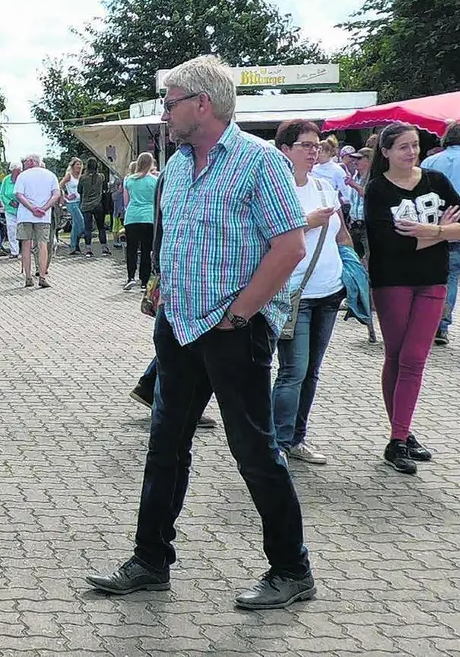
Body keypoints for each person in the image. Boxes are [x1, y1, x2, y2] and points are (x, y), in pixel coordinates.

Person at [87, 55, 316, 611]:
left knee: (253, 450)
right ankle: (150, 561)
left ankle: (292, 569)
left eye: (170, 103)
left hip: (234, 329)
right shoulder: (177, 167)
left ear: (203, 104)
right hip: (179, 327)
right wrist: (160, 285)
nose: (165, 114)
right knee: (166, 444)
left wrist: (239, 315)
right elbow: (174, 237)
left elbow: (289, 248)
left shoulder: (259, 162)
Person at [364, 121, 460, 474]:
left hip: (433, 281)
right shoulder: (378, 189)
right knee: (397, 356)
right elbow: (387, 244)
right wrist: (441, 233)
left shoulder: (436, 181)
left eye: (414, 145)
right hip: (392, 282)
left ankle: (398, 438)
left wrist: (430, 230)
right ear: (386, 152)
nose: (411, 152)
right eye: (403, 147)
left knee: (414, 357)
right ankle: (401, 433)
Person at [271, 120, 353, 466]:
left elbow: (341, 234)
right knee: (293, 371)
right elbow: (267, 235)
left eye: (316, 145)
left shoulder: (324, 186)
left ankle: (296, 438)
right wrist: (307, 221)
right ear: (285, 150)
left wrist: (354, 271)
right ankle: (275, 442)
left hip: (329, 291)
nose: (312, 151)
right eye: (305, 145)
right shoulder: (277, 189)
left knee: (312, 371)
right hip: (294, 292)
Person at [420, 122, 460, 346]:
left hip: (431, 229)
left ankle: (426, 322)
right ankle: (442, 325)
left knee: (429, 275)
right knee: (451, 276)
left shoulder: (430, 162)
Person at [13, 154, 60, 287]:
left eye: (25, 161)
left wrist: (32, 208)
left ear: (31, 162)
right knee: (42, 245)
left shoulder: (23, 176)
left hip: (25, 216)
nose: (24, 164)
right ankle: (42, 275)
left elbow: (19, 195)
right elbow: (56, 194)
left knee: (26, 245)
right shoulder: (51, 175)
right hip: (44, 216)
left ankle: (28, 277)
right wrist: (44, 208)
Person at [121, 153, 159, 292]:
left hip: (132, 217)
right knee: (146, 250)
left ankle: (131, 277)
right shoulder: (155, 180)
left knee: (131, 249)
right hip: (148, 216)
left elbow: (126, 200)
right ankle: (144, 281)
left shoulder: (129, 180)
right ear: (151, 164)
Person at [79, 158, 109, 257]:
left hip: (86, 205)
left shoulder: (82, 178)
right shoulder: (101, 177)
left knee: (88, 228)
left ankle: (88, 250)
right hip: (98, 205)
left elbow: (79, 190)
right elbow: (105, 188)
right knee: (101, 227)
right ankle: (104, 249)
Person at [0, 162, 22, 258]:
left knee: (23, 230)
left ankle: (25, 250)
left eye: (19, 170)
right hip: (9, 210)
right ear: (12, 170)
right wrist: (9, 202)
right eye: (16, 170)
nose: (18, 172)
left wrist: (20, 202)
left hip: (22, 209)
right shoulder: (6, 180)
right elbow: (2, 194)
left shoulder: (22, 179)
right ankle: (14, 251)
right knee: (12, 230)